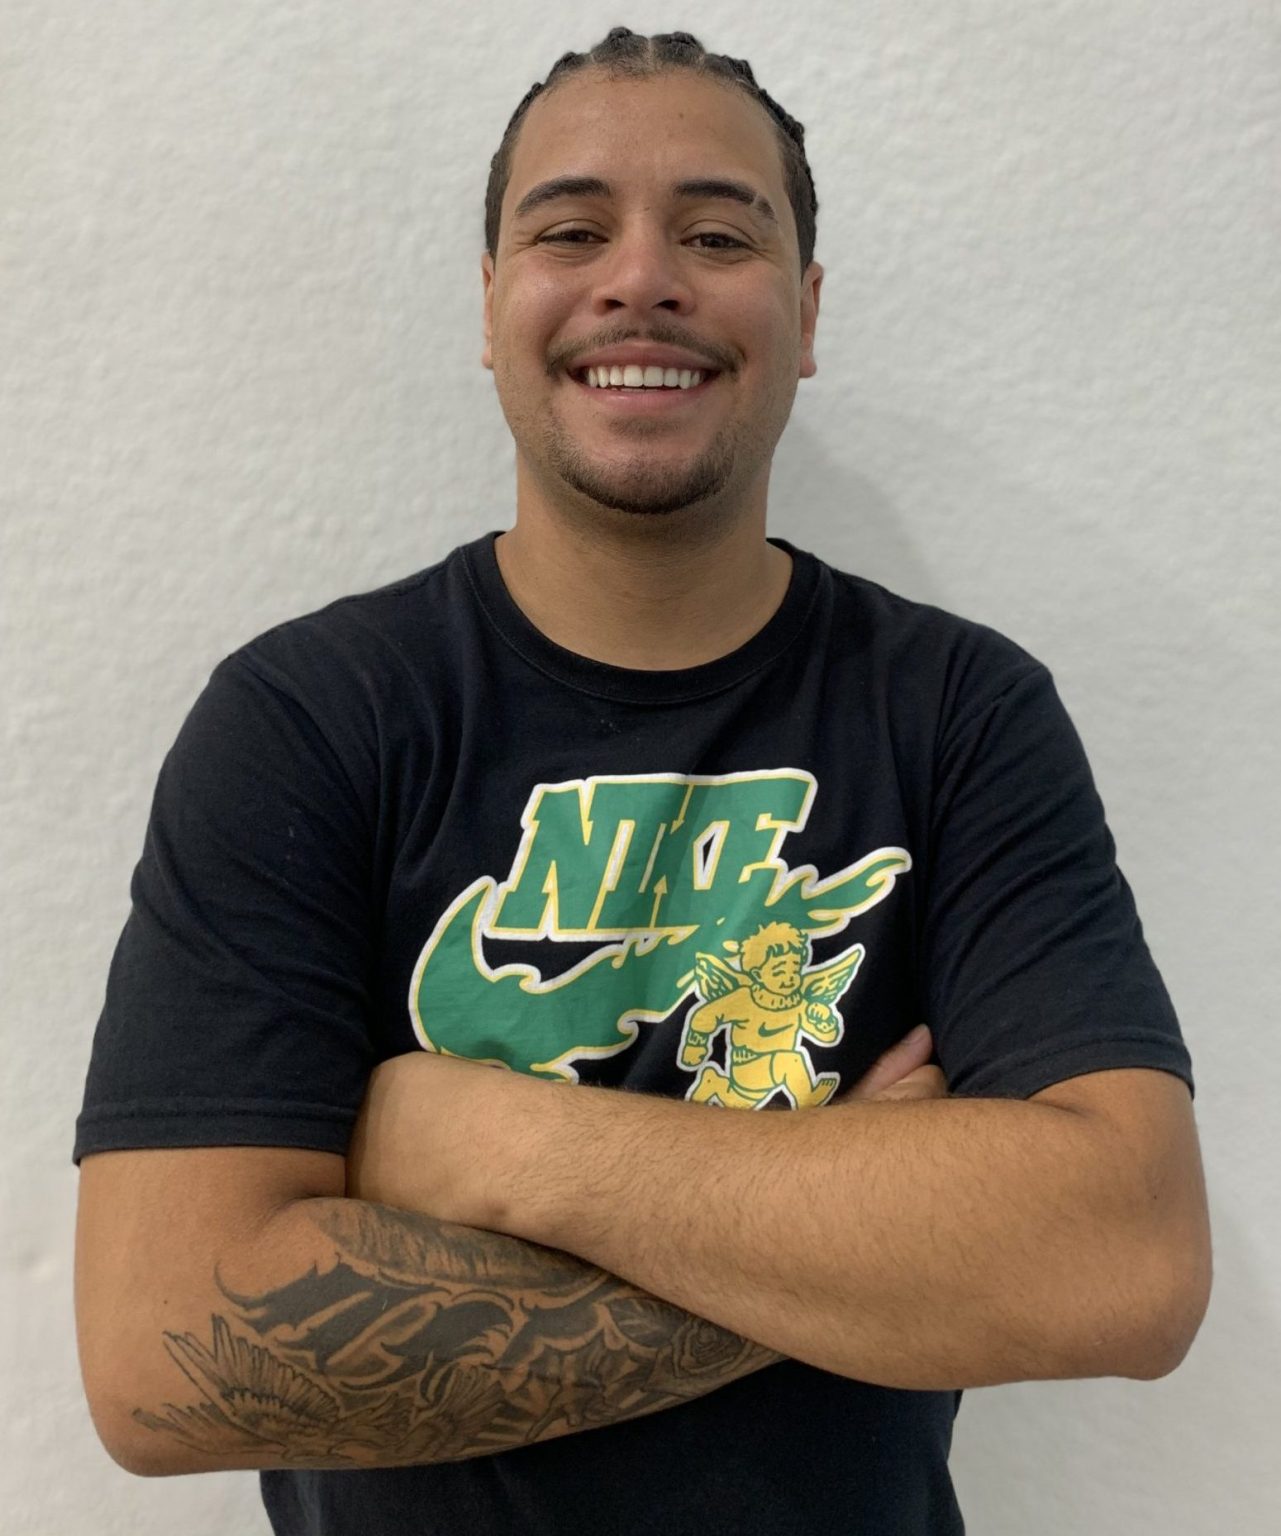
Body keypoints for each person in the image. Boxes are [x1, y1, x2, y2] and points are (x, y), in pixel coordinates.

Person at [72, 26, 1210, 1536]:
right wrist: (850, 1229)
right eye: (570, 230)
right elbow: (163, 1359)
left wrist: (496, 1149)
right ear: (491, 304)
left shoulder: (955, 711)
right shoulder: (310, 718)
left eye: (719, 234)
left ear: (805, 313)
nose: (641, 278)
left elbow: (1124, 1263)